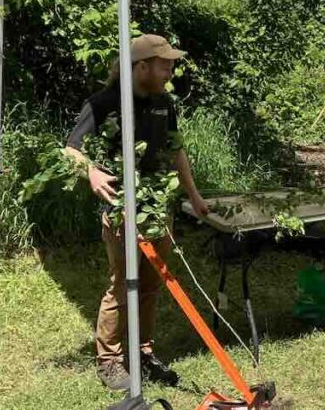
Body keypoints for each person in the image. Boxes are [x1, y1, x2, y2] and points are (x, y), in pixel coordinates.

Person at [64, 34, 211, 390]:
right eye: (164, 65)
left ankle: (143, 353)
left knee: (150, 284)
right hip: (120, 210)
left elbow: (176, 151)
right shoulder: (104, 102)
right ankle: (110, 360)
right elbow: (69, 150)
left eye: (171, 65)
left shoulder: (165, 102)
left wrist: (194, 195)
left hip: (159, 208)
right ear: (141, 66)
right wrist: (92, 172)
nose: (170, 72)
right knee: (120, 283)